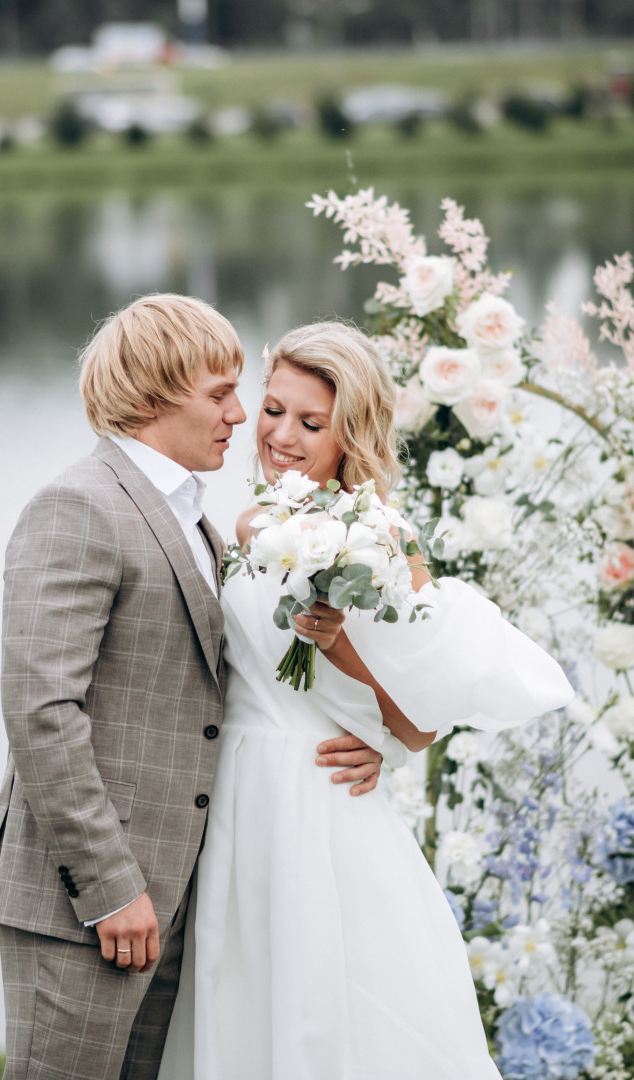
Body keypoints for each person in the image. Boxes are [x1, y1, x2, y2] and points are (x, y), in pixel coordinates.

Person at [0, 296, 382, 1080]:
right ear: (155, 393)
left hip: (172, 898)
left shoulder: (196, 518)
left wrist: (371, 736)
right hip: (86, 903)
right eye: (221, 393)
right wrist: (109, 889)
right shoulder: (79, 506)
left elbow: (223, 683)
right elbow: (40, 710)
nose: (243, 415)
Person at [158, 321, 575, 1080]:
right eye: (274, 409)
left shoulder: (384, 540)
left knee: (334, 1006)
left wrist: (339, 647)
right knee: (242, 991)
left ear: (350, 432)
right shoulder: (245, 524)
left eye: (310, 423)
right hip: (236, 796)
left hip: (318, 800)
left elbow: (418, 726)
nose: (281, 435)